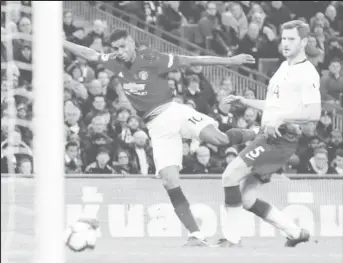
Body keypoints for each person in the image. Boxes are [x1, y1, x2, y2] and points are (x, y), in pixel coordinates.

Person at [63, 28, 257, 247]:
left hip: (174, 112)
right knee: (169, 180)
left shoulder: (151, 58)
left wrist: (229, 60)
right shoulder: (114, 61)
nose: (120, 52)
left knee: (219, 140)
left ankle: (256, 132)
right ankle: (196, 235)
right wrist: (61, 42)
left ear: (132, 44)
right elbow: (89, 54)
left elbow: (189, 60)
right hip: (156, 127)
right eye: (115, 49)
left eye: (123, 47)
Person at [219, 20, 321, 248]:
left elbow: (314, 112)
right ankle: (295, 232)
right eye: (283, 38)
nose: (285, 43)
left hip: (280, 139)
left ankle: (232, 240)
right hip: (269, 136)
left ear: (303, 41)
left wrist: (282, 119)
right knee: (246, 199)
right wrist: (246, 101)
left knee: (229, 176)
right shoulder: (285, 67)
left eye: (291, 39)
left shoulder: (307, 73)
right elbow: (275, 106)